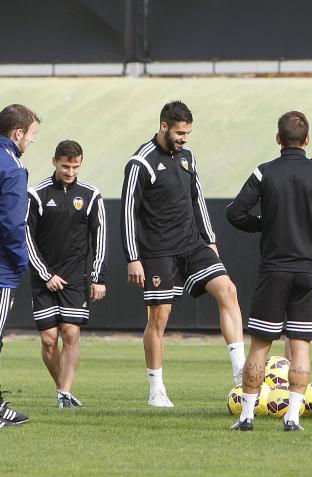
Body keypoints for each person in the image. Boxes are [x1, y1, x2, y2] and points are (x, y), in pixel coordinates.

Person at [227, 111, 312, 431]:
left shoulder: (264, 172)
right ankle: (293, 416)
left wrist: (263, 224)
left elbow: (235, 213)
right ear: (308, 140)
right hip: (310, 270)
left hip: (273, 270)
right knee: (300, 346)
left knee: (259, 346)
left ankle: (246, 417)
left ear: (278, 139)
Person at [120, 101, 245, 408]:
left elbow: (197, 199)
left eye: (188, 132)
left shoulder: (188, 157)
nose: (184, 138)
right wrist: (133, 258)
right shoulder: (141, 162)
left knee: (228, 290)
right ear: (164, 126)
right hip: (158, 251)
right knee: (159, 319)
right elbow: (127, 212)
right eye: (179, 132)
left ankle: (241, 373)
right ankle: (157, 389)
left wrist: (211, 240)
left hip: (193, 245)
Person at [27, 140, 107, 408]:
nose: (70, 172)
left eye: (75, 166)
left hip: (75, 277)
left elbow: (100, 239)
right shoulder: (36, 194)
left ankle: (64, 393)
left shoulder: (91, 195)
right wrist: (45, 273)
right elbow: (26, 237)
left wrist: (98, 277)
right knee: (49, 340)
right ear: (54, 162)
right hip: (43, 279)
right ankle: (63, 390)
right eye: (65, 166)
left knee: (70, 333)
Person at [0, 104, 40, 428]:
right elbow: (13, 224)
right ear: (18, 134)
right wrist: (20, 262)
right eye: (32, 134)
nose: (32, 141)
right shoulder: (13, 167)